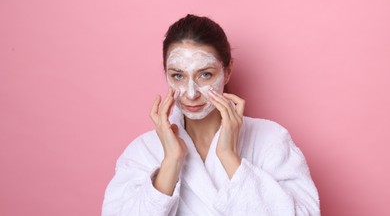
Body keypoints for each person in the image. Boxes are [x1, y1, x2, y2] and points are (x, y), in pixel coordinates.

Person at [102, 14, 320, 215]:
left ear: (228, 71)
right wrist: (171, 162)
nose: (190, 93)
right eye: (178, 76)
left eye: (205, 74)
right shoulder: (143, 151)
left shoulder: (270, 139)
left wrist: (229, 157)